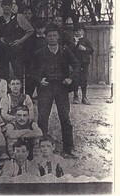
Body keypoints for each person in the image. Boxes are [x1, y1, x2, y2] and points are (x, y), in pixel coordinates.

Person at [31, 24, 80, 158]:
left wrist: (71, 78)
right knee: (42, 118)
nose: (52, 38)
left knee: (65, 117)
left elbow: (76, 65)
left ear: (58, 37)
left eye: (54, 35)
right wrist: (39, 80)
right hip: (45, 87)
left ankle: (69, 148)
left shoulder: (65, 51)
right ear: (45, 37)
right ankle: (43, 148)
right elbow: (31, 71)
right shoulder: (39, 52)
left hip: (61, 87)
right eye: (49, 35)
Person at [0, 0, 34, 80]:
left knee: (18, 72)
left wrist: (21, 41)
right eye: (4, 5)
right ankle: (5, 91)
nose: (6, 7)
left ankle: (18, 92)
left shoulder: (19, 17)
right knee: (3, 73)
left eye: (8, 5)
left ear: (11, 6)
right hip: (4, 49)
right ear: (2, 6)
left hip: (16, 49)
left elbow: (30, 30)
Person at [71, 23, 94, 105]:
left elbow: (91, 50)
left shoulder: (86, 40)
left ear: (83, 31)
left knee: (84, 80)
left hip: (84, 63)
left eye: (80, 30)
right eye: (76, 31)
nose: (78, 32)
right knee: (75, 79)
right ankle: (75, 96)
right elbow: (69, 51)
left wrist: (85, 49)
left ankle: (84, 97)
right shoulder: (72, 40)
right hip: (75, 63)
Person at [25, 19, 47, 97]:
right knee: (31, 81)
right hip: (34, 63)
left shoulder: (47, 39)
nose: (40, 30)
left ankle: (41, 96)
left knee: (42, 80)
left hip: (44, 63)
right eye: (38, 28)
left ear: (45, 28)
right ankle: (29, 97)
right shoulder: (32, 40)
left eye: (42, 28)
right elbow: (28, 52)